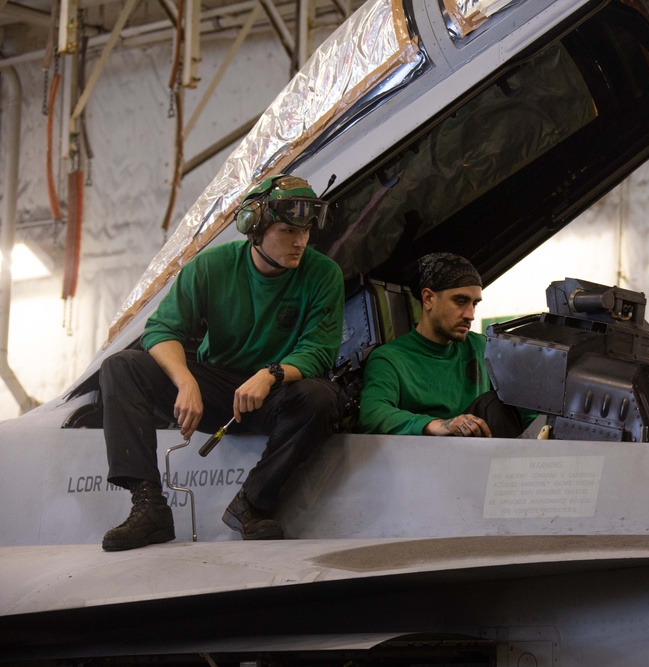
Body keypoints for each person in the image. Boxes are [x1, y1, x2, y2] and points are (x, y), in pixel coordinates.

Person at [100, 174, 345, 551]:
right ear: (254, 227)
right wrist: (185, 381)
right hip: (214, 388)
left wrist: (271, 374)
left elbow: (319, 351)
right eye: (288, 230)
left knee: (321, 397)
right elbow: (161, 330)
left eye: (306, 230)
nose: (300, 241)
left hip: (272, 395)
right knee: (121, 367)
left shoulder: (323, 274)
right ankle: (148, 507)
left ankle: (252, 504)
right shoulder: (211, 266)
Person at [358, 252, 526, 438]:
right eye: (460, 301)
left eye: (474, 303)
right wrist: (435, 424)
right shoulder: (389, 359)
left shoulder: (482, 347)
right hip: (425, 460)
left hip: (487, 457)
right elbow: (372, 414)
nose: (470, 315)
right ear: (428, 299)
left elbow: (527, 405)